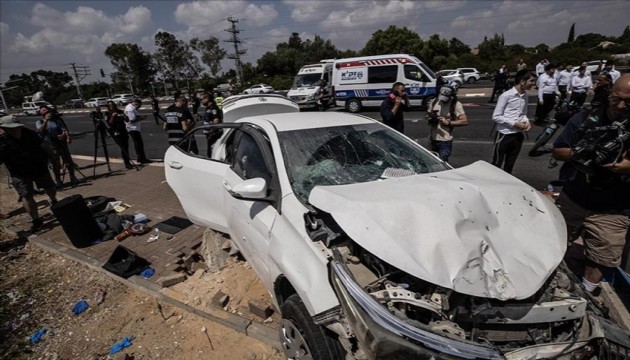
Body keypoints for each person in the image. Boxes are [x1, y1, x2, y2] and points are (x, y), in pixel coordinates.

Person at [551, 73, 630, 295]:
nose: (622, 106)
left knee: (604, 255)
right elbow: (559, 150)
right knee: (553, 240)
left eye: (629, 102)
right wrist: (583, 153)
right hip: (573, 198)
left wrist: (625, 167)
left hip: (613, 209)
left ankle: (587, 291)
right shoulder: (586, 119)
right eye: (617, 99)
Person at [0, 115, 58, 231]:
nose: (14, 130)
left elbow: (44, 146)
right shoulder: (2, 141)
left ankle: (54, 202)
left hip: (38, 166)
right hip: (18, 172)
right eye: (10, 128)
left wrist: (54, 159)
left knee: (50, 187)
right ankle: (36, 219)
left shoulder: (30, 134)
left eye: (16, 127)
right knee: (26, 195)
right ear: (4, 129)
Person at [490, 69, 535, 174]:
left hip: (518, 135)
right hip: (504, 134)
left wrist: (526, 122)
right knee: (496, 164)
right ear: (523, 81)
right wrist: (514, 123)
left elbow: (523, 113)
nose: (533, 84)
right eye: (531, 81)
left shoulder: (525, 96)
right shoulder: (506, 95)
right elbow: (496, 116)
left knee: (509, 165)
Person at [36, 105, 78, 187]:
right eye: (45, 113)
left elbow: (64, 129)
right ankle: (58, 180)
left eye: (48, 112)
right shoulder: (40, 122)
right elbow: (40, 131)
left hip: (61, 144)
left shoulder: (57, 120)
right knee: (55, 164)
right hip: (51, 145)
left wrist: (65, 136)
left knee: (68, 162)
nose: (48, 114)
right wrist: (46, 121)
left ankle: (73, 178)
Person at [425, 85, 468, 162]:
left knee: (442, 162)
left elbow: (464, 121)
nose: (442, 100)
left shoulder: (455, 104)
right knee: (431, 163)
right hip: (432, 139)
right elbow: (427, 115)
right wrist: (430, 119)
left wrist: (448, 122)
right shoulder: (434, 101)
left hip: (445, 140)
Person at [105, 101, 133, 169]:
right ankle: (127, 163)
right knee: (122, 147)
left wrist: (125, 116)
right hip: (115, 132)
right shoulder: (107, 113)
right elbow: (110, 123)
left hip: (123, 130)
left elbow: (127, 120)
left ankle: (127, 162)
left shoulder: (119, 111)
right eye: (110, 106)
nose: (112, 107)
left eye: (113, 105)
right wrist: (113, 116)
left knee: (126, 146)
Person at [124, 99, 150, 164]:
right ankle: (141, 158)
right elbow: (132, 120)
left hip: (134, 128)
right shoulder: (130, 109)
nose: (139, 108)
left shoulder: (131, 108)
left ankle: (141, 158)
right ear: (136, 104)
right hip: (133, 128)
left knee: (138, 144)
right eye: (139, 106)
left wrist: (139, 117)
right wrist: (142, 118)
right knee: (138, 144)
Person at [200, 92, 223, 158]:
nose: (201, 101)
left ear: (207, 98)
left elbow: (216, 120)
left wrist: (212, 132)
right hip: (209, 134)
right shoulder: (208, 107)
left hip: (213, 134)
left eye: (202, 99)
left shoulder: (213, 107)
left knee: (212, 151)